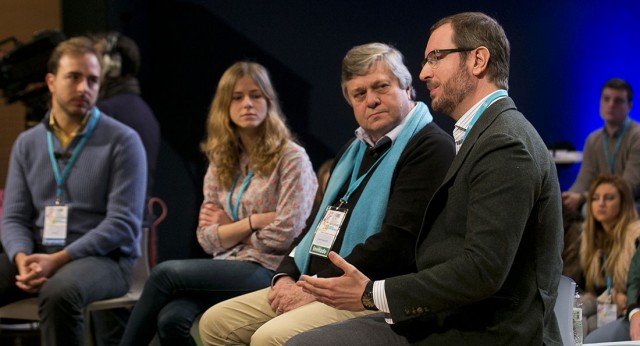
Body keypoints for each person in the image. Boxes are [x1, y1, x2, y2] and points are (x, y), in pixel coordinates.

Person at [292, 12, 564, 345]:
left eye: (436, 58)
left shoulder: (503, 142)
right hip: (446, 317)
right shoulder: (487, 134)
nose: (423, 73)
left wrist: (370, 293)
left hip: (484, 332)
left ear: (478, 60)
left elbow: (482, 270)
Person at [198, 42, 456, 345]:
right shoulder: (355, 149)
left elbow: (397, 241)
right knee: (214, 322)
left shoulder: (430, 146)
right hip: (315, 281)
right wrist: (284, 275)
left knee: (269, 337)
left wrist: (313, 287)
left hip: (369, 292)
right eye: (359, 94)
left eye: (381, 87)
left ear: (408, 88)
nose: (371, 101)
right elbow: (317, 222)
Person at [118, 61, 317, 346]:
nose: (247, 104)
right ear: (224, 106)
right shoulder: (221, 161)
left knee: (165, 274)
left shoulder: (292, 158)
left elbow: (284, 235)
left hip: (273, 269)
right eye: (237, 97)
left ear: (269, 102)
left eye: (255, 95)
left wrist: (230, 230)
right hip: (225, 266)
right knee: (171, 320)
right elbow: (207, 238)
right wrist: (253, 222)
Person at [0, 37, 146, 345]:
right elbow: (13, 216)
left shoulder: (123, 141)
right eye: (74, 77)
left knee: (59, 292)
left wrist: (59, 260)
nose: (84, 88)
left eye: (92, 80)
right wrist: (22, 257)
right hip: (40, 252)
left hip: (106, 260)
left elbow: (122, 223)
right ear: (51, 82)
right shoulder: (28, 143)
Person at [91, 32, 160, 204]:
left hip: (111, 218)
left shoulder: (105, 111)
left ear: (111, 65)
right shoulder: (144, 110)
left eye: (95, 58)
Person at [576, 175, 640, 343]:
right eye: (595, 198)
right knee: (577, 320)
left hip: (629, 309)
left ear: (623, 202)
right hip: (604, 305)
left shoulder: (635, 236)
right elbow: (591, 287)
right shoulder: (589, 238)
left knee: (591, 334)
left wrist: (620, 297)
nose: (601, 203)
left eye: (609, 198)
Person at [562, 78, 640, 212]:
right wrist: (571, 196)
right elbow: (584, 179)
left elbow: (628, 186)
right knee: (563, 210)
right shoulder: (593, 139)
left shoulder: (636, 136)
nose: (611, 104)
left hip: (630, 203)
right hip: (600, 201)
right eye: (606, 99)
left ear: (630, 106)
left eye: (618, 101)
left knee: (588, 210)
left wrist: (583, 197)